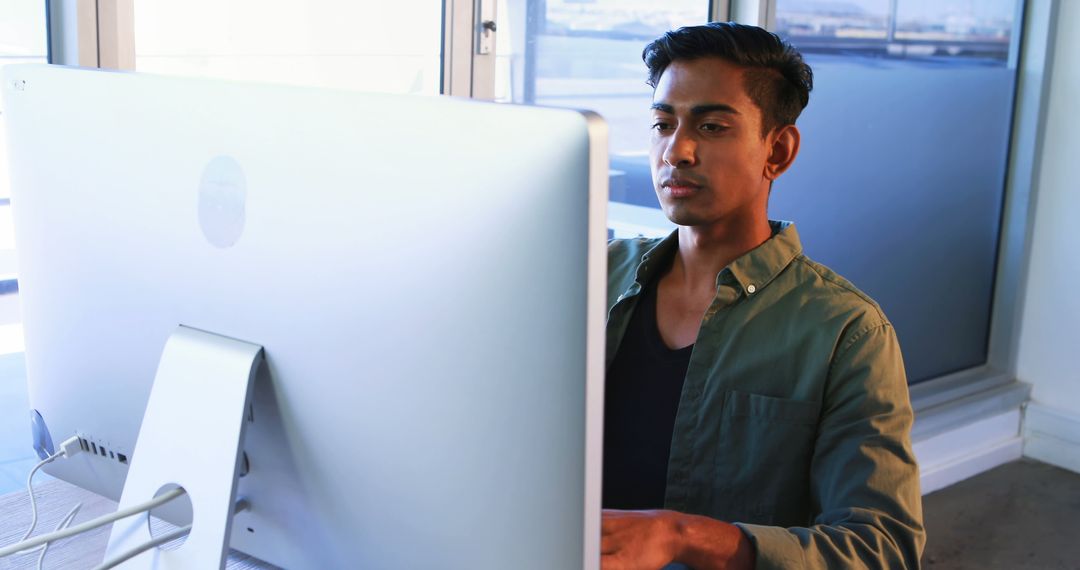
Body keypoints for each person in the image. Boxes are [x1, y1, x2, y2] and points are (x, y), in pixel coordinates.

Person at [600, 22, 924, 570]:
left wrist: (682, 536)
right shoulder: (601, 271)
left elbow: (883, 548)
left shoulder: (845, 331)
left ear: (777, 150)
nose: (676, 151)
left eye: (712, 126)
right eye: (662, 124)